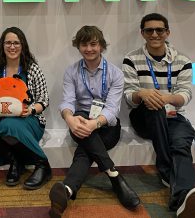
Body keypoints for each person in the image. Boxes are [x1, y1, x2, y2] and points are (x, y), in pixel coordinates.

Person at [122, 13, 195, 218]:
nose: (154, 34)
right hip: (143, 117)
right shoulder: (131, 59)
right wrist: (143, 93)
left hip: (174, 116)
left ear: (167, 32)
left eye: (159, 30)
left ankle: (181, 198)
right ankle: (165, 169)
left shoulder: (183, 61)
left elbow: (185, 94)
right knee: (154, 106)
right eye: (149, 30)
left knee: (181, 143)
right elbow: (128, 97)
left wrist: (167, 98)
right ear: (142, 33)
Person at [49, 26, 141, 217]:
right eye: (84, 44)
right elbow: (67, 101)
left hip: (107, 127)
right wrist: (69, 118)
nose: (89, 49)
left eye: (93, 44)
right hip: (80, 123)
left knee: (85, 151)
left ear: (101, 46)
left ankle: (68, 189)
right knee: (81, 117)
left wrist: (94, 124)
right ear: (78, 47)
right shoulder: (71, 72)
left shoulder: (115, 73)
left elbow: (112, 110)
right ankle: (114, 176)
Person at [0, 26, 51, 190]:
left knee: (9, 125)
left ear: (22, 45)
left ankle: (43, 164)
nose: (12, 46)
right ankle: (15, 160)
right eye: (8, 43)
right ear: (2, 46)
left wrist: (30, 110)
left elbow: (44, 99)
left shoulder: (32, 69)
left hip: (29, 119)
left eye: (16, 43)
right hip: (1, 118)